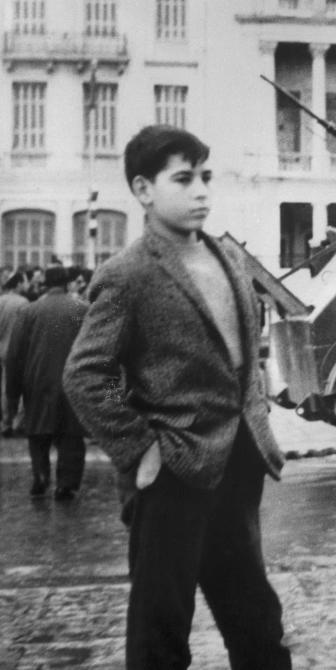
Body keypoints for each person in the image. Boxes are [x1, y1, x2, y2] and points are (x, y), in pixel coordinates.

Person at [62, 125, 292, 669]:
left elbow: (242, 361)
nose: (201, 192)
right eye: (184, 179)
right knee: (161, 628)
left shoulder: (229, 259)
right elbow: (84, 373)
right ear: (144, 190)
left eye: (206, 178)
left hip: (239, 462)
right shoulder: (129, 274)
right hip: (172, 474)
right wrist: (141, 449)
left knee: (255, 617)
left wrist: (256, 420)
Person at [6, 265, 89, 498]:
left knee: (38, 431)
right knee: (71, 435)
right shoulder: (82, 310)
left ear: (44, 284)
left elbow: (14, 355)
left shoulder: (29, 311)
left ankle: (41, 474)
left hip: (37, 380)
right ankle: (67, 483)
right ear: (67, 283)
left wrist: (13, 393)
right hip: (73, 381)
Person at [0, 271, 30, 437]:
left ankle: (5, 422)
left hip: (3, 350)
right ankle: (18, 422)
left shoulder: (0, 300)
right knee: (22, 388)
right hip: (19, 352)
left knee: (5, 388)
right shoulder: (22, 302)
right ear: (18, 284)